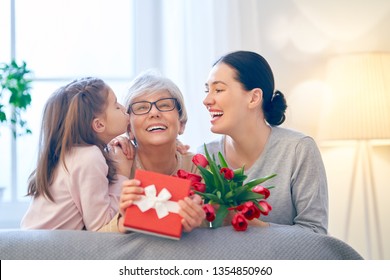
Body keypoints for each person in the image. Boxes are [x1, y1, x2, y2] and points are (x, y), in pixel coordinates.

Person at [201, 50, 328, 234]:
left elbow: (316, 233)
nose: (206, 100)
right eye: (207, 90)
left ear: (253, 98)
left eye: (218, 89)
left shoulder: (298, 150)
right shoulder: (205, 156)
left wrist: (257, 228)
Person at [99, 70, 205, 233]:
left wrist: (201, 221)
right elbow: (93, 241)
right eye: (141, 107)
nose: (154, 113)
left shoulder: (199, 167)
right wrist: (123, 222)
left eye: (164, 105)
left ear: (181, 124)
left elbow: (217, 225)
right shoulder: (114, 165)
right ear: (129, 129)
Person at [21, 77, 132, 231]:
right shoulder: (90, 157)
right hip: (45, 251)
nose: (124, 108)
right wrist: (122, 175)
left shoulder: (71, 154)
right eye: (116, 106)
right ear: (99, 124)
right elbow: (100, 226)